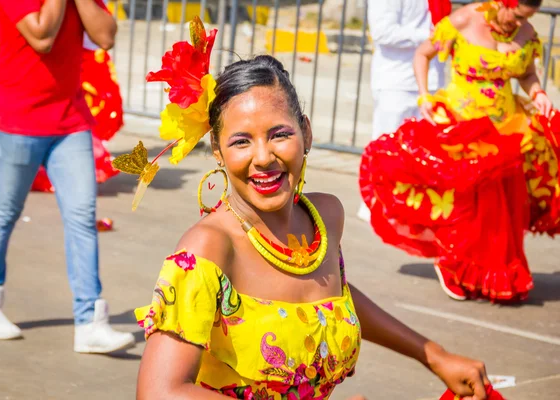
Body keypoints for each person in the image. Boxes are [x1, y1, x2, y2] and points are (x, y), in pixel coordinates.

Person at [112, 17, 493, 399]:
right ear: (217, 151)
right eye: (241, 142)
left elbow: (332, 294)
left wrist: (433, 355)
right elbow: (160, 393)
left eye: (280, 134)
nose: (263, 157)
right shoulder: (207, 249)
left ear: (306, 132)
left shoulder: (325, 218)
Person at [359, 0, 559, 302]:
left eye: (527, 18)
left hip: (505, 126)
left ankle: (489, 274)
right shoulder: (464, 19)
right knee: (467, 206)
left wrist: (539, 92)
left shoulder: (527, 33)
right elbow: (423, 54)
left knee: (500, 209)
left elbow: (527, 74)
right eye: (516, 15)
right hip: (462, 124)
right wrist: (425, 95)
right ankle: (451, 266)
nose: (518, 24)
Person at [0, 0, 135, 354]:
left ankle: (90, 321)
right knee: (3, 211)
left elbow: (105, 36)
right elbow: (41, 35)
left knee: (81, 217)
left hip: (68, 122)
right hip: (15, 121)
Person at [0, 0, 122, 190]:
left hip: (68, 99)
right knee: (3, 209)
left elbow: (106, 38)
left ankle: (57, 166)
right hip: (12, 71)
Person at [358, 0, 449, 221]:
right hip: (396, 81)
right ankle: (376, 207)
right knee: (388, 149)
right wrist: (430, 35)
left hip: (431, 81)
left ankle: (410, 208)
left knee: (421, 152)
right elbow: (382, 32)